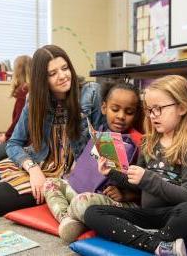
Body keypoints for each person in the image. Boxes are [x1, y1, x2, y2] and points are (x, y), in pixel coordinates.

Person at [0, 45, 103, 216]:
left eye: (65, 68)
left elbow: (102, 140)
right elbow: (14, 143)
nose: (63, 76)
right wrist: (33, 169)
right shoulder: (34, 99)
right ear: (42, 78)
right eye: (53, 73)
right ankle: (25, 180)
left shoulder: (91, 93)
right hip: (37, 160)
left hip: (66, 173)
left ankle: (41, 190)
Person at [84, 75, 187, 256]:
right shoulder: (149, 142)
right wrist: (111, 173)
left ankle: (150, 239)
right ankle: (158, 245)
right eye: (150, 110)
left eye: (158, 109)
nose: (152, 115)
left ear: (182, 107)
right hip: (146, 215)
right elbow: (137, 181)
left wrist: (149, 178)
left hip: (174, 216)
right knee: (93, 213)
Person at [43, 82, 144, 242]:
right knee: (50, 183)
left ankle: (78, 218)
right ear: (104, 108)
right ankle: (68, 220)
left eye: (129, 112)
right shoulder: (100, 130)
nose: (121, 116)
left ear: (136, 114)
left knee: (82, 201)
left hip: (109, 201)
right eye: (115, 109)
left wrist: (127, 194)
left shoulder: (138, 143)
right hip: (82, 190)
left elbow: (147, 187)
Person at [0, 55, 32, 163]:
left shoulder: (23, 91)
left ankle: (22, 154)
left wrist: (6, 136)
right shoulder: (30, 88)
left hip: (26, 141)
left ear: (17, 72)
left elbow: (19, 120)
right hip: (29, 138)